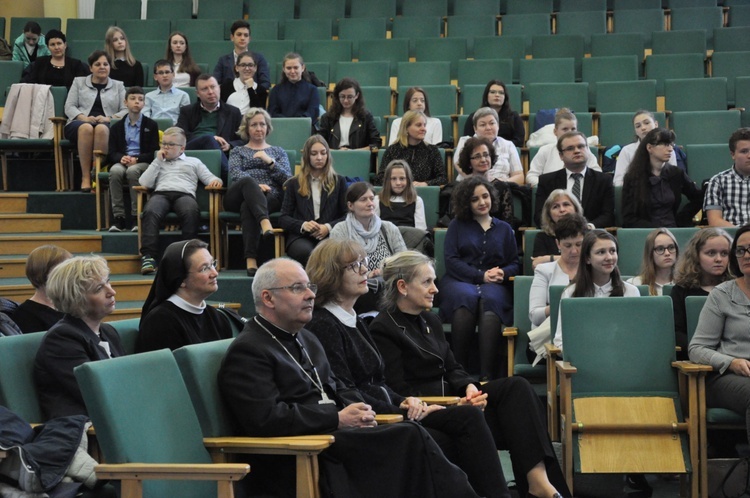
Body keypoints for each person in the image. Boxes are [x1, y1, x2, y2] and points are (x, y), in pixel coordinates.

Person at [218, 257, 492, 498]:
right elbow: (265, 419)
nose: (310, 295)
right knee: (409, 437)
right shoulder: (249, 350)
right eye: (297, 288)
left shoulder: (305, 338)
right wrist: (337, 418)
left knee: (414, 432)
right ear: (268, 298)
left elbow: (337, 387)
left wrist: (365, 412)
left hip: (332, 439)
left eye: (310, 287)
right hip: (299, 455)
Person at [305, 239, 512, 498]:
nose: (364, 271)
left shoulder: (353, 319)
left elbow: (379, 382)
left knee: (475, 414)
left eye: (363, 263)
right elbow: (347, 391)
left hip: (392, 410)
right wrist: (402, 410)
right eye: (354, 266)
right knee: (462, 423)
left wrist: (406, 402)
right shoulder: (325, 324)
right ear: (331, 274)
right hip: (369, 422)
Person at [370, 250, 572, 498]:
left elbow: (454, 368)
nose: (435, 289)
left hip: (456, 400)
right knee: (506, 419)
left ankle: (538, 482)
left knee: (516, 387)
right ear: (402, 286)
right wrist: (455, 403)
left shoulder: (430, 321)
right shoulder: (383, 328)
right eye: (427, 282)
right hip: (428, 410)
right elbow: (398, 391)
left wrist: (469, 388)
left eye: (434, 281)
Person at [440, 175, 520, 380]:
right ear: (466, 202)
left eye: (485, 196)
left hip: (494, 282)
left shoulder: (504, 228)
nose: (482, 202)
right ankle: (459, 373)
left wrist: (504, 273)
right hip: (459, 279)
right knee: (466, 298)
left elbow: (514, 263)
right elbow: (451, 260)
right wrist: (480, 275)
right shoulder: (456, 225)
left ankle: (487, 376)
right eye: (475, 199)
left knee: (491, 302)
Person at [33, 256, 124, 419]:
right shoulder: (62, 339)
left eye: (108, 282)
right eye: (99, 289)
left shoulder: (109, 332)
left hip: (115, 420)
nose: (111, 292)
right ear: (76, 299)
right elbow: (96, 394)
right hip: (86, 430)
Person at [689, 223, 750, 446]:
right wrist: (730, 362)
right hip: (728, 377)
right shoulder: (722, 294)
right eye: (741, 250)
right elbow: (696, 349)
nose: (746, 255)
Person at [138, 127, 223, 275]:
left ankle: (187, 256)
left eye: (171, 144)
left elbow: (211, 178)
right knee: (150, 211)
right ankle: (149, 256)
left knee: (190, 211)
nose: (166, 147)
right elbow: (144, 182)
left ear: (182, 148)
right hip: (161, 194)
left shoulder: (193, 162)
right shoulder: (158, 162)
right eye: (164, 143)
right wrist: (158, 161)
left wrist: (216, 181)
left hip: (184, 194)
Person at [224, 108, 291, 276]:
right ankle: (264, 222)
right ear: (247, 129)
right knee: (247, 183)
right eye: (254, 125)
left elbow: (288, 180)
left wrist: (269, 161)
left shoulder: (278, 152)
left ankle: (250, 259)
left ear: (268, 127)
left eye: (262, 124)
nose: (259, 128)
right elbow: (235, 173)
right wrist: (256, 185)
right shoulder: (238, 151)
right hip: (238, 195)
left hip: (270, 196)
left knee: (249, 206)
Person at [136, 239, 231, 352]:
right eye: (205, 268)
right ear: (181, 280)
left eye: (213, 264)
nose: (215, 273)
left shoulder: (218, 318)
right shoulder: (160, 322)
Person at [554, 230, 640, 351]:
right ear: (588, 258)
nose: (609, 257)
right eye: (601, 252)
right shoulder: (571, 293)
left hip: (621, 359)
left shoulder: (631, 291)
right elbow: (560, 340)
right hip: (583, 360)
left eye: (612, 251)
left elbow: (636, 336)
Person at [64, 50, 127, 192]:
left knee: (101, 129)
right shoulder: (78, 82)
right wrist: (83, 117)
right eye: (97, 64)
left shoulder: (118, 85)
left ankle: (96, 173)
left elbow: (125, 110)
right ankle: (85, 177)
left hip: (107, 124)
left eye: (106, 64)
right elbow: (69, 106)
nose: (102, 67)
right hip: (78, 123)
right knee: (86, 128)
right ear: (91, 67)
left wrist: (109, 118)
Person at [279, 135, 347, 266]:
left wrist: (328, 227)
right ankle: (309, 285)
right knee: (308, 253)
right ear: (307, 157)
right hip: (301, 237)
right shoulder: (294, 183)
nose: (319, 157)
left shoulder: (339, 181)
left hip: (330, 236)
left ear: (328, 155)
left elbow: (347, 215)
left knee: (329, 253)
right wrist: (303, 225)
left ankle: (324, 286)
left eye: (323, 153)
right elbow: (283, 218)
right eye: (314, 154)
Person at [622, 128, 703, 228]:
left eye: (670, 144)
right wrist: (655, 229)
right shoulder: (632, 178)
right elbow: (628, 218)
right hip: (645, 233)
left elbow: (699, 197)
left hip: (673, 230)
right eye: (664, 144)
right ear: (649, 148)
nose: (670, 149)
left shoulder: (676, 173)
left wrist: (682, 218)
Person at [671, 228, 733, 359]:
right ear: (696, 255)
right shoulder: (681, 290)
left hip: (735, 357)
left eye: (724, 253)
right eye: (711, 253)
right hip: (695, 359)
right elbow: (676, 333)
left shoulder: (737, 287)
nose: (718, 259)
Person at [534, 131, 615, 229]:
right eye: (570, 148)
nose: (577, 151)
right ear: (561, 155)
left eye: (581, 146)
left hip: (591, 235)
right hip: (557, 235)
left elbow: (608, 215)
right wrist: (562, 229)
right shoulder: (547, 181)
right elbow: (539, 215)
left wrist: (588, 227)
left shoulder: (603, 180)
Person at [107, 86, 160, 232]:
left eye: (140, 99)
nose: (137, 102)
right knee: (115, 171)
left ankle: (137, 216)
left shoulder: (151, 125)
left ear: (144, 104)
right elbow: (111, 152)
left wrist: (136, 159)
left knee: (133, 171)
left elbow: (153, 152)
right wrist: (121, 158)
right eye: (133, 99)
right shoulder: (116, 127)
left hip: (141, 162)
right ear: (125, 102)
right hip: (123, 161)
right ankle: (119, 218)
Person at [329, 182, 406, 277]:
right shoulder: (339, 231)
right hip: (354, 287)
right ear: (350, 206)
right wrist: (368, 275)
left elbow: (404, 261)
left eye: (372, 199)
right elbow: (338, 268)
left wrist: (385, 272)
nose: (370, 204)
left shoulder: (389, 228)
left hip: (387, 282)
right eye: (363, 200)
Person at [176, 74, 243, 178]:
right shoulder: (187, 111)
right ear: (197, 93)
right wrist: (210, 139)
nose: (210, 92)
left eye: (213, 87)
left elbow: (243, 139)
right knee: (209, 139)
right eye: (204, 89)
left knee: (210, 141)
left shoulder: (233, 112)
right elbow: (180, 134)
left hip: (220, 152)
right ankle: (230, 177)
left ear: (219, 88)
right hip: (192, 150)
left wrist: (230, 145)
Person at [529, 213, 588, 330]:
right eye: (568, 245)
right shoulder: (544, 271)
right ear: (558, 244)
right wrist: (562, 305)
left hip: (586, 331)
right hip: (550, 335)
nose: (574, 251)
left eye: (579, 244)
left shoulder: (593, 269)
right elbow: (534, 316)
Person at [526, 108, 601, 188]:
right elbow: (531, 176)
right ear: (555, 131)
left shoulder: (584, 150)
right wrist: (550, 186)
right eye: (565, 129)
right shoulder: (545, 150)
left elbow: (597, 173)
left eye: (573, 129)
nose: (569, 132)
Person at [375, 110, 447, 186]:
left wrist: (426, 183)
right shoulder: (392, 150)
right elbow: (380, 178)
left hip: (423, 193)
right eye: (418, 125)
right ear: (406, 128)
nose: (424, 129)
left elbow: (442, 178)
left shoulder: (432, 150)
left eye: (424, 125)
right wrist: (400, 183)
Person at [454, 107, 524, 185]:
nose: (488, 128)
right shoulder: (465, 142)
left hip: (501, 188)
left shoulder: (508, 145)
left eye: (492, 123)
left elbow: (519, 176)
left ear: (498, 126)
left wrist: (501, 182)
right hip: (470, 186)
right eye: (483, 125)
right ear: (475, 129)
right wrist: (484, 183)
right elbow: (460, 167)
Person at [12, 245, 71, 333]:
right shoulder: (25, 314)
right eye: (62, 270)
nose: (69, 275)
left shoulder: (70, 305)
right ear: (42, 271)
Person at [375, 159, 430, 251]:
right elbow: (374, 228)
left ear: (408, 180)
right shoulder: (378, 200)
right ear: (387, 181)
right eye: (393, 179)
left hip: (410, 244)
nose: (398, 183)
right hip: (386, 244)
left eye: (402, 178)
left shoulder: (417, 200)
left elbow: (420, 231)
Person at [613, 110, 678, 187]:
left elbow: (673, 178)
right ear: (635, 131)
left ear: (656, 124)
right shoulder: (627, 151)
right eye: (638, 126)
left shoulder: (668, 149)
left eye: (647, 123)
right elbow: (618, 181)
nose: (643, 128)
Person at [704, 127, 750, 228]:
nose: (749, 155)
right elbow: (715, 222)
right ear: (733, 154)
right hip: (731, 239)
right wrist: (742, 235)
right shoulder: (717, 181)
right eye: (744, 151)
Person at [531, 189, 587, 270]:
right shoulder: (542, 237)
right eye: (555, 207)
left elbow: (591, 260)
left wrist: (549, 258)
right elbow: (537, 265)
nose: (562, 210)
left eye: (566, 204)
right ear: (549, 214)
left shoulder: (587, 233)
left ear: (576, 208)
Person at [318, 78, 380, 150]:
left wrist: (355, 152)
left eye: (350, 97)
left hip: (359, 157)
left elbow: (376, 143)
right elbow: (319, 144)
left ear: (357, 95)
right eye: (342, 96)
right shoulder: (327, 117)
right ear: (337, 96)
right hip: (333, 157)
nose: (346, 100)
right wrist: (336, 151)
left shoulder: (366, 116)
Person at [462, 79, 525, 147]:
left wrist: (499, 146)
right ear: (486, 96)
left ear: (505, 97)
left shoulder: (514, 117)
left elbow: (519, 141)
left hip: (505, 152)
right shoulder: (474, 117)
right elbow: (468, 141)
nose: (497, 95)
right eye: (493, 92)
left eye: (501, 93)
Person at [213, 20, 270, 90]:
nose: (242, 38)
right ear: (232, 37)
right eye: (239, 34)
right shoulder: (223, 60)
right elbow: (215, 83)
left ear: (249, 39)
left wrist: (253, 92)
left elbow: (266, 83)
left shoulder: (259, 58)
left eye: (246, 35)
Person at [22, 29, 88, 89]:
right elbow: (29, 84)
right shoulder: (40, 63)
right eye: (52, 44)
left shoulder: (76, 65)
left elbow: (81, 88)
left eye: (59, 43)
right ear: (48, 47)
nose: (56, 47)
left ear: (65, 45)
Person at [267, 53, 320, 122]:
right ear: (284, 69)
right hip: (282, 126)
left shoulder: (312, 90)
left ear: (303, 68)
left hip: (305, 127)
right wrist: (288, 123)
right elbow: (272, 112)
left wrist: (298, 122)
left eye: (296, 67)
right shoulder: (276, 90)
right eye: (289, 68)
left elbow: (313, 112)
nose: (292, 71)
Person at [627, 228, 679, 296]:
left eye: (671, 247)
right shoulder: (634, 285)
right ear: (650, 253)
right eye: (660, 249)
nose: (667, 253)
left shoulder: (685, 284)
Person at [143, 59, 190, 125]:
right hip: (154, 129)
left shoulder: (183, 95)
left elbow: (185, 119)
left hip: (175, 130)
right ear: (155, 77)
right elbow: (145, 116)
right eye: (161, 73)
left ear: (173, 75)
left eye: (167, 72)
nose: (164, 75)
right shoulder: (148, 96)